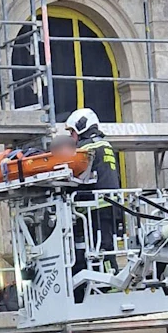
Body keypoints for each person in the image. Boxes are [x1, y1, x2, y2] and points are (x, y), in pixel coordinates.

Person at [65, 106, 121, 259]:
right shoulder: (104, 144)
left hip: (95, 209)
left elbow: (74, 174)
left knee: (100, 251)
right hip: (109, 206)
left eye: (72, 132)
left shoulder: (85, 148)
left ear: (81, 127)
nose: (71, 137)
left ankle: (108, 274)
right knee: (106, 248)